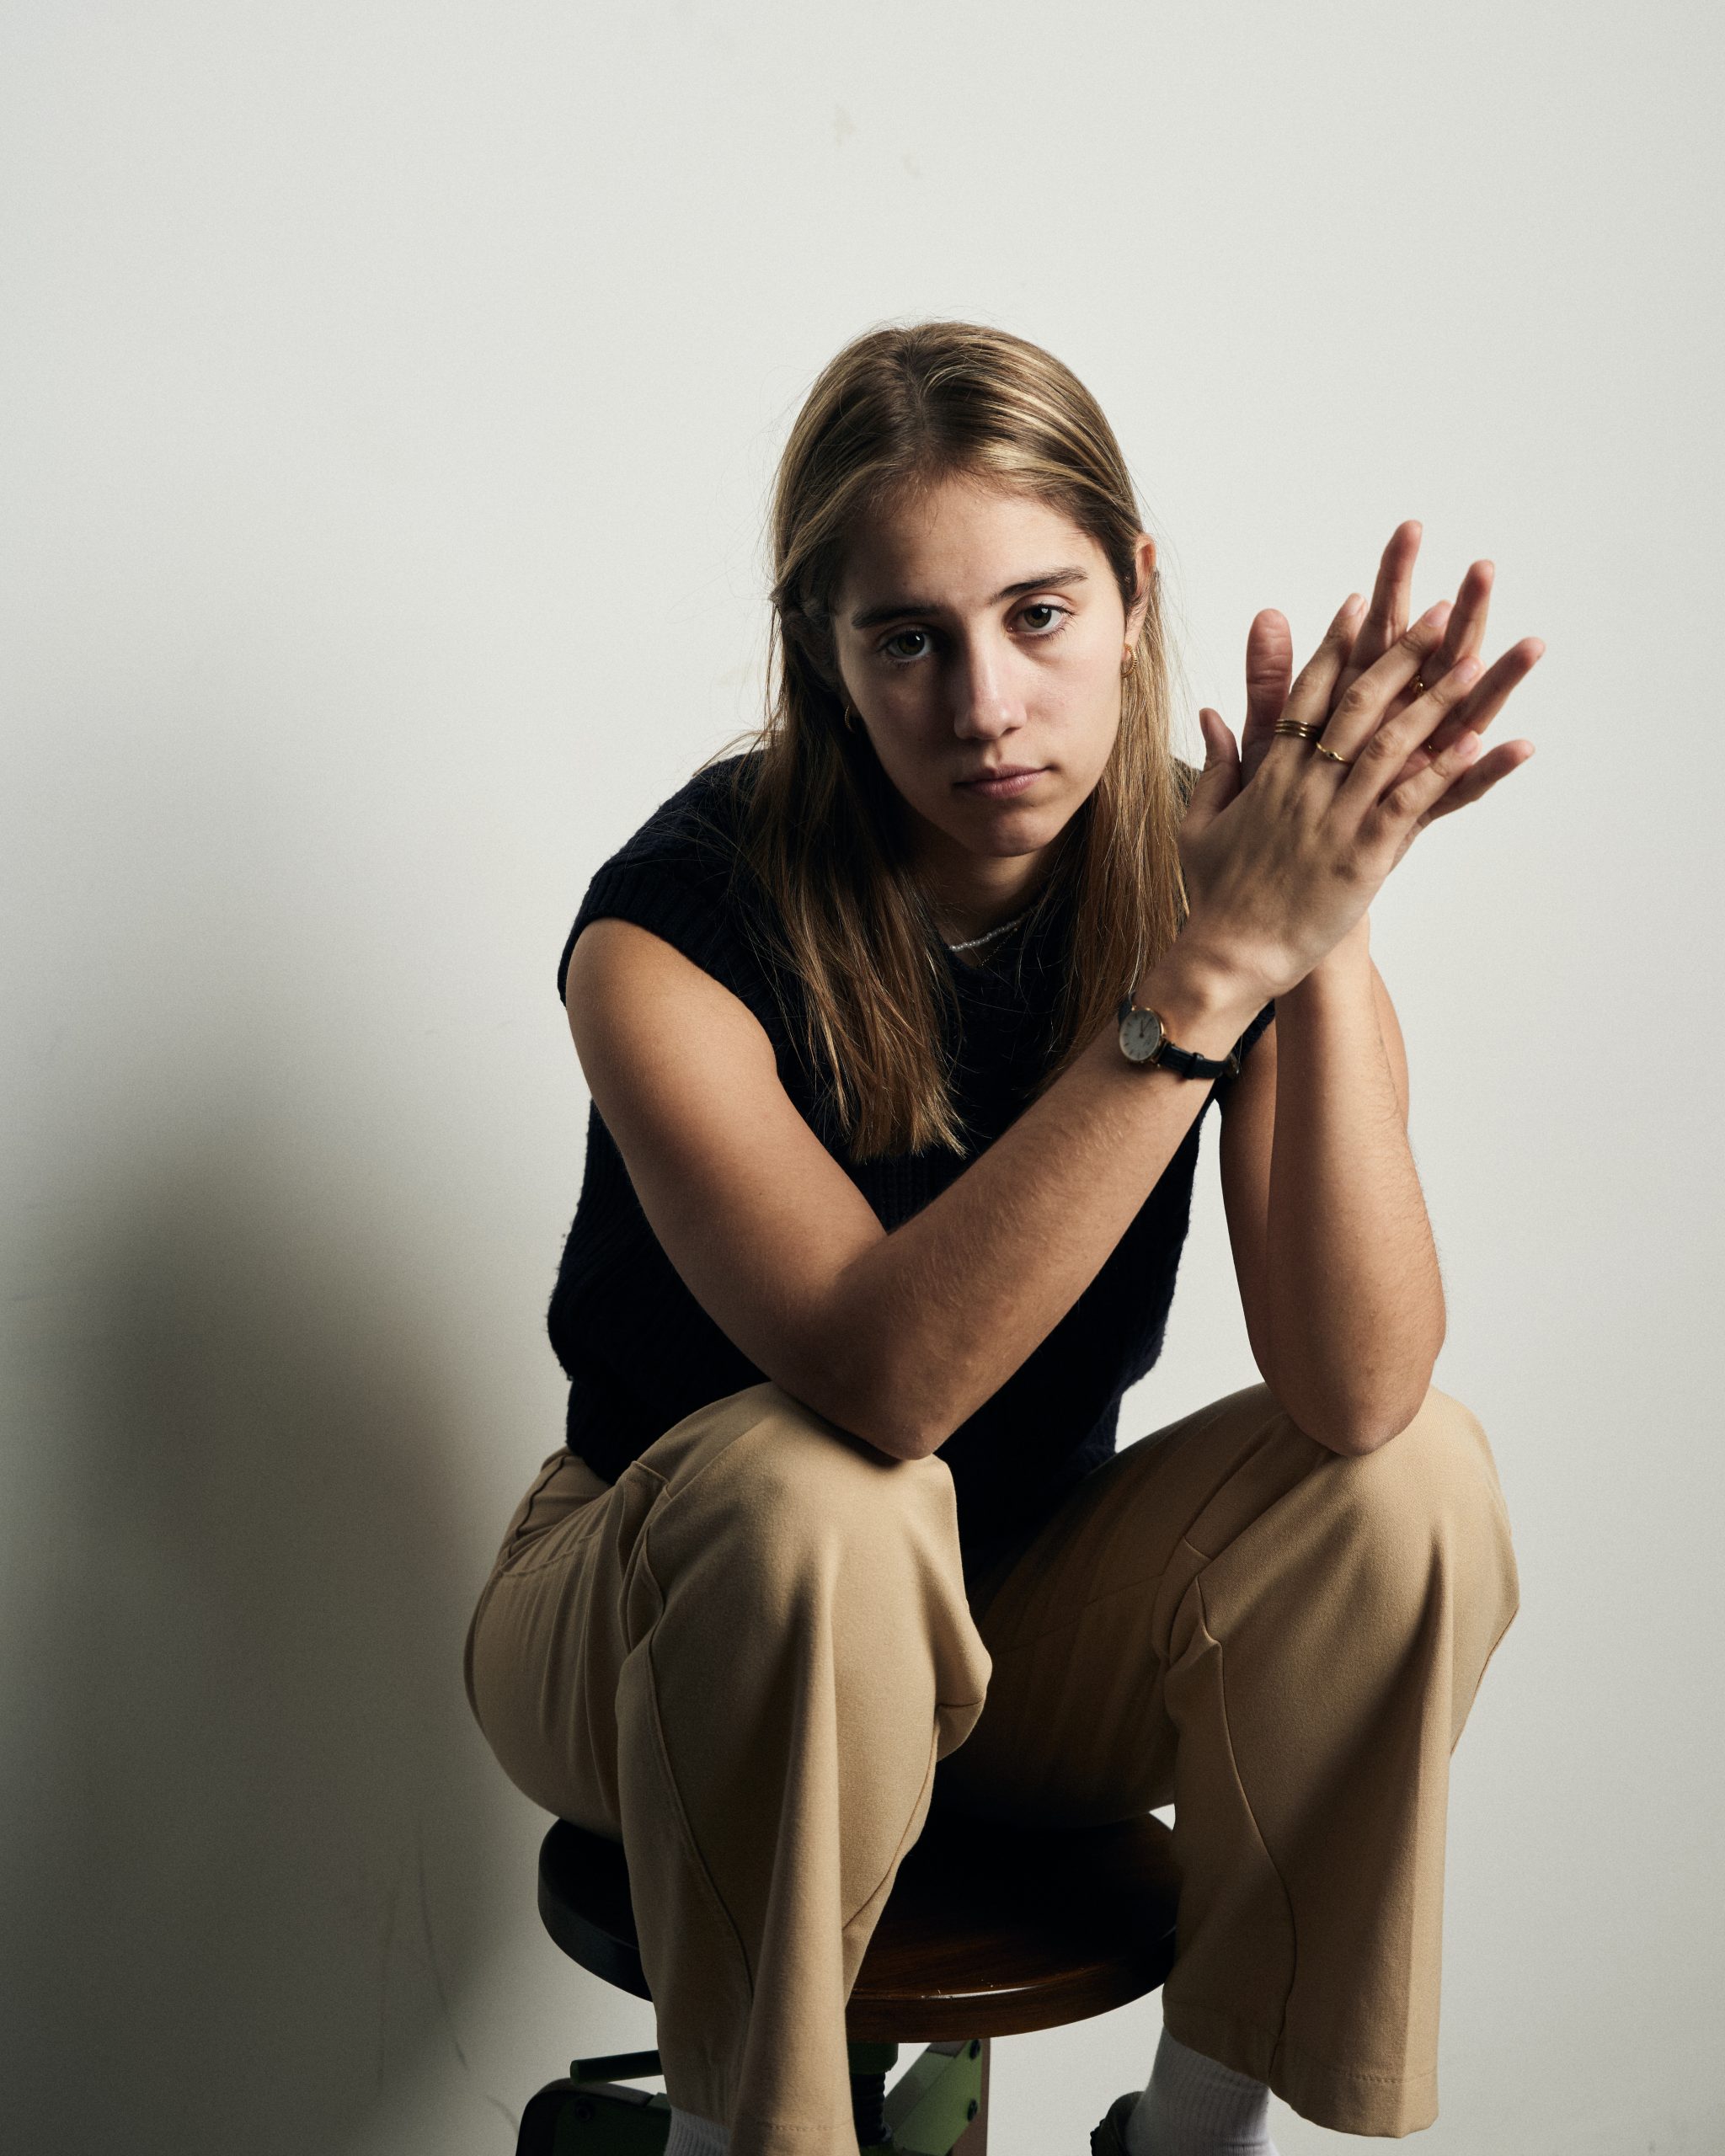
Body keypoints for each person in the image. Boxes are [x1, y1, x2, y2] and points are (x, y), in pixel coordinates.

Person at [463, 321, 1538, 2156]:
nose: (983, 704)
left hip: (1015, 1609)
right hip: (666, 1612)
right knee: (824, 1492)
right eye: (909, 638)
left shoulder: (1219, 878)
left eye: (1038, 615)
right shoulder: (668, 928)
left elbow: (1357, 1390)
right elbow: (886, 1384)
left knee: (1417, 1477)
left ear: (1132, 595)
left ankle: (1195, 2135)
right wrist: (1208, 972)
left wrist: (1323, 918)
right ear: (824, 650)